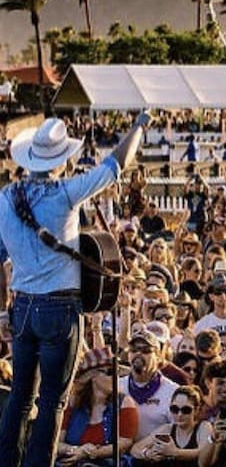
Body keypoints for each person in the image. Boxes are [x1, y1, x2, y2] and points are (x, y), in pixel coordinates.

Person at [0, 112, 150, 467]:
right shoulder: (66, 192)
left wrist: (4, 310)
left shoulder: (5, 197)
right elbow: (117, 163)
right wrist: (140, 125)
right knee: (52, 399)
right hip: (59, 309)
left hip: (22, 308)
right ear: (62, 158)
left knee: (21, 394)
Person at [56, 347, 138, 466]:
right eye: (110, 372)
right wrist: (75, 450)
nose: (116, 377)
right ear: (92, 377)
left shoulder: (125, 403)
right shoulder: (72, 402)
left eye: (117, 372)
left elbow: (125, 442)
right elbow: (57, 441)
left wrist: (91, 452)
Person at [131, 385, 211, 466]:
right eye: (175, 409)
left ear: (197, 410)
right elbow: (135, 449)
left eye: (186, 410)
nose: (179, 414)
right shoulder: (167, 429)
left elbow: (204, 453)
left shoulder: (203, 427)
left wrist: (174, 452)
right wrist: (147, 454)